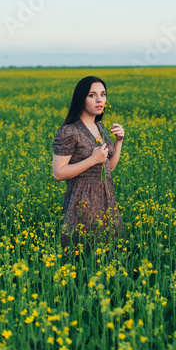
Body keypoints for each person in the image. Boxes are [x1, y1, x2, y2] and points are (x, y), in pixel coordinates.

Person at [52, 76, 125, 253]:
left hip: (106, 197)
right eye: (92, 95)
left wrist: (119, 141)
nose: (100, 100)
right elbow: (58, 174)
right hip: (82, 200)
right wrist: (92, 159)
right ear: (81, 98)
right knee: (83, 251)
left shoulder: (99, 127)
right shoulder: (69, 131)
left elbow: (109, 168)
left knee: (110, 249)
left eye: (103, 94)